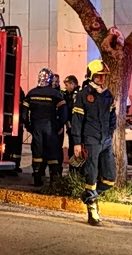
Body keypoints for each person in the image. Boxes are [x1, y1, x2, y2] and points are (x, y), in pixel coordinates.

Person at [70, 59, 117, 226]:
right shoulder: (83, 95)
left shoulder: (107, 95)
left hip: (106, 141)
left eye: (104, 76)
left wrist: (109, 133)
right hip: (90, 141)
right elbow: (77, 120)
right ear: (91, 76)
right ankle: (92, 212)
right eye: (99, 76)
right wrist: (77, 143)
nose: (102, 79)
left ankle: (88, 195)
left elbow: (112, 117)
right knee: (91, 175)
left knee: (110, 179)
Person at [22, 68, 67, 187]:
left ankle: (37, 179)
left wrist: (28, 126)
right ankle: (54, 181)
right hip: (51, 127)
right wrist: (60, 125)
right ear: (50, 79)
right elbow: (63, 112)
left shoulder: (31, 93)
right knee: (52, 152)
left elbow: (24, 113)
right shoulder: (55, 94)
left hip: (36, 127)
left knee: (37, 153)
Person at [61, 75, 79, 170]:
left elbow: (70, 108)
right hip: (71, 126)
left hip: (75, 127)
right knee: (71, 148)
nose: (65, 87)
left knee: (74, 149)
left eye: (67, 85)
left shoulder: (77, 95)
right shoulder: (68, 94)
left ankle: (75, 171)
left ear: (72, 84)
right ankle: (72, 171)